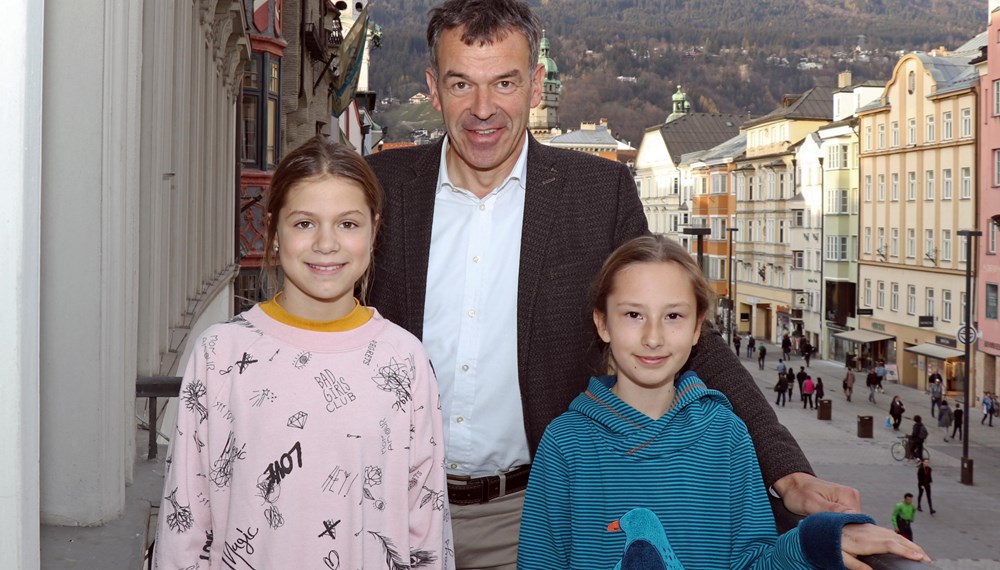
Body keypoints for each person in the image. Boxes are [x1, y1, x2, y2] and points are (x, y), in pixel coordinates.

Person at [365, 1, 863, 566]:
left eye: (504, 82)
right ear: (433, 87)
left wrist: (786, 470)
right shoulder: (382, 188)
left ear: (535, 85)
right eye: (462, 83)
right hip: (385, 509)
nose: (483, 109)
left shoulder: (598, 193)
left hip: (530, 519)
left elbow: (682, 331)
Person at [517, 236, 928, 569]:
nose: (654, 337)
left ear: (699, 328)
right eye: (633, 315)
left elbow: (753, 561)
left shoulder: (725, 436)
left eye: (674, 316)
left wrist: (813, 543)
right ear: (602, 322)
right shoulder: (566, 444)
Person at [153, 138, 453, 569]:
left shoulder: (404, 361)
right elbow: (185, 522)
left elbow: (427, 530)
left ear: (374, 229)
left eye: (348, 224)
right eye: (305, 224)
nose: (326, 244)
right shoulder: (220, 355)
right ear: (274, 231)